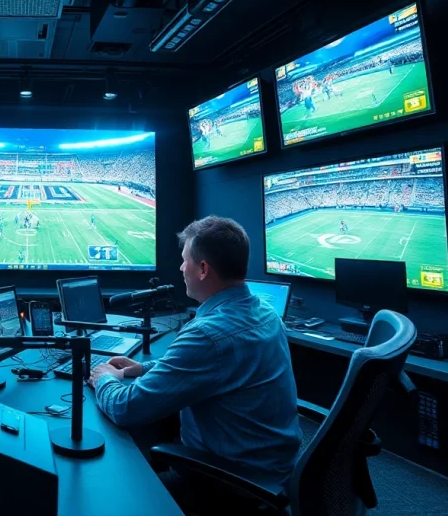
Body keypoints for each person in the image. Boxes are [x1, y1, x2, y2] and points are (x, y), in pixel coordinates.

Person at [89, 216, 301, 513]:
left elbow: (127, 408)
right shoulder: (266, 313)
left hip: (232, 483)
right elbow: (215, 368)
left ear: (203, 269)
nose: (180, 268)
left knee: (105, 498)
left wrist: (105, 378)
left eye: (184, 260)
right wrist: (140, 368)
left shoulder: (207, 335)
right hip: (273, 468)